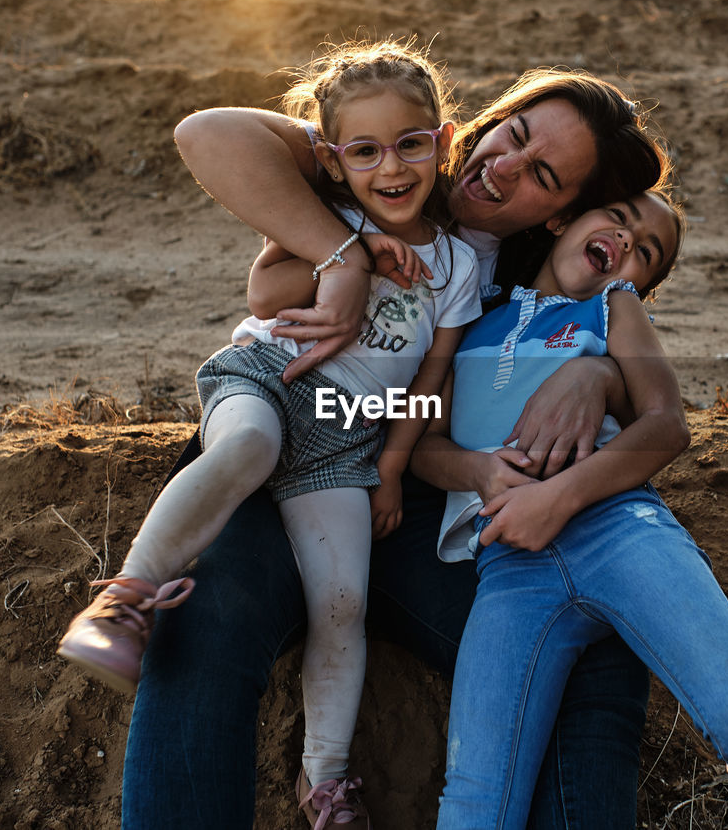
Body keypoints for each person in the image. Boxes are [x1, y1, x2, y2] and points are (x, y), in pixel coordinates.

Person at [120, 65, 672, 829]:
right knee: (203, 619)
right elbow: (206, 133)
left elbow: (623, 315)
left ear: (563, 213)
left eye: (543, 175)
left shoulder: (529, 270)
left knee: (589, 652)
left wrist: (600, 376)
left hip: (416, 493)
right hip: (287, 427)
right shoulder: (388, 158)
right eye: (511, 134)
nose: (503, 167)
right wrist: (341, 254)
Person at [57, 40, 483, 828]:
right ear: (331, 158)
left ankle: (324, 780)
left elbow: (433, 378)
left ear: (444, 142)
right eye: (364, 151)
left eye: (411, 144)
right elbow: (264, 287)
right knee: (246, 449)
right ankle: (124, 600)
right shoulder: (330, 218)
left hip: (347, 441)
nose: (390, 166)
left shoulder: (458, 265)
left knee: (344, 600)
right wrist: (348, 257)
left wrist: (392, 467)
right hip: (265, 382)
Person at [418, 191, 728, 830]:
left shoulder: (611, 308)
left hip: (622, 532)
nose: (625, 241)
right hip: (509, 570)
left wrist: (555, 497)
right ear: (561, 219)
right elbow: (425, 439)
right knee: (476, 802)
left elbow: (667, 425)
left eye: (646, 252)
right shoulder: (473, 317)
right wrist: (479, 470)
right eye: (616, 218)